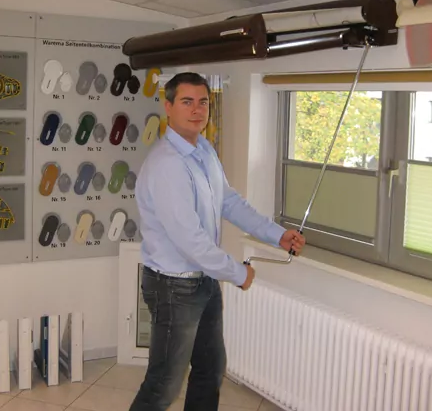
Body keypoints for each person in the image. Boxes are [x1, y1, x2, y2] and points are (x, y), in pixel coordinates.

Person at [129, 72, 305, 411]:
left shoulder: (204, 149)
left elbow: (229, 202)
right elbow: (190, 242)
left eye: (203, 102)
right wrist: (238, 273)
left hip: (204, 281)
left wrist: (277, 235)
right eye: (187, 102)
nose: (197, 110)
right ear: (168, 106)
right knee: (163, 385)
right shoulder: (167, 165)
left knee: (210, 370)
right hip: (173, 287)